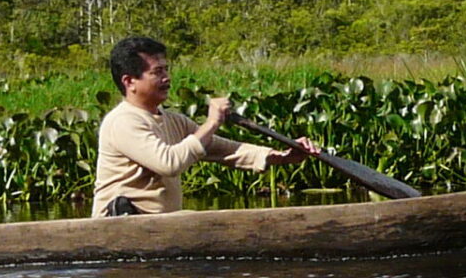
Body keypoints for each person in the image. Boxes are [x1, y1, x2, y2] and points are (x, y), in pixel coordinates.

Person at [94, 35, 318, 218]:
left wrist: (279, 156)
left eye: (166, 69)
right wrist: (211, 123)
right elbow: (169, 163)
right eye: (157, 72)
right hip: (121, 226)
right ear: (129, 81)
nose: (166, 78)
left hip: (159, 227)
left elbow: (222, 149)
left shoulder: (173, 120)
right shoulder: (122, 121)